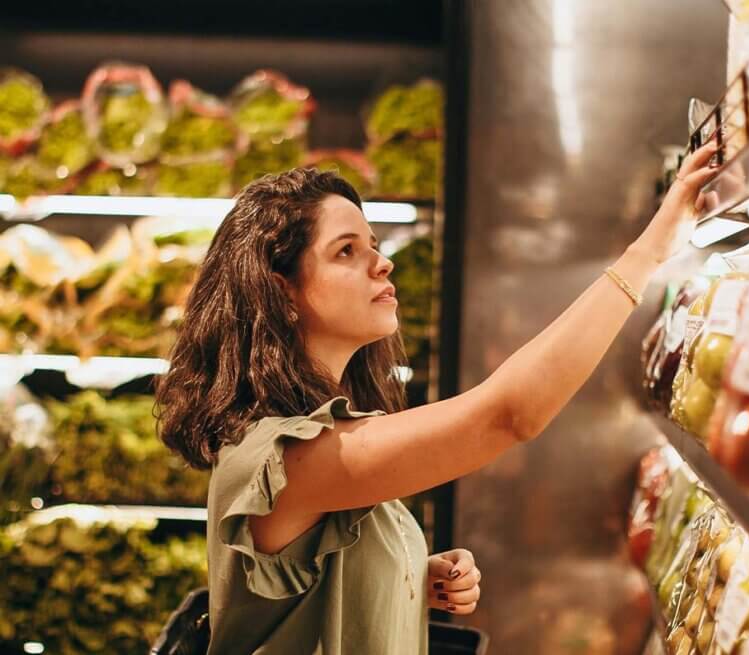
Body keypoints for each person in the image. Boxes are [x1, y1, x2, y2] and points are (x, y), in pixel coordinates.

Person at [155, 140, 719, 654]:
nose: (383, 261)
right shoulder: (286, 459)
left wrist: (405, 577)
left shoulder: (322, 439)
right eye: (346, 251)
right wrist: (648, 251)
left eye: (372, 245)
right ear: (281, 291)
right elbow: (508, 415)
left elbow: (306, 595)